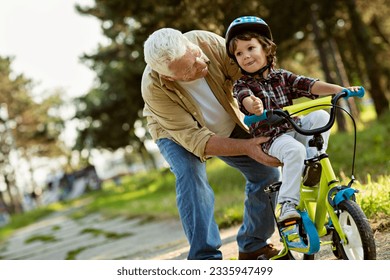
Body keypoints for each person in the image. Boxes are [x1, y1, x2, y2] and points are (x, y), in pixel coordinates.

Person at [141, 27, 282, 260]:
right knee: (190, 175)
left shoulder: (206, 43)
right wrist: (247, 147)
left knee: (267, 174)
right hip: (176, 133)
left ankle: (253, 244)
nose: (201, 63)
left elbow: (249, 75)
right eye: (189, 69)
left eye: (194, 54)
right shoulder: (154, 88)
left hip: (225, 117)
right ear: (169, 77)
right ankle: (204, 259)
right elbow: (197, 140)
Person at [225, 16, 361, 221]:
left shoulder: (281, 77)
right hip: (273, 139)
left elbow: (309, 85)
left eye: (250, 48)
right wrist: (253, 106)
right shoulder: (242, 85)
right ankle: (287, 204)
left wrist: (340, 90)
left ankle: (312, 163)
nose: (245, 56)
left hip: (294, 127)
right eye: (239, 53)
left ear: (266, 48)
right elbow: (245, 99)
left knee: (320, 116)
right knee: (294, 149)